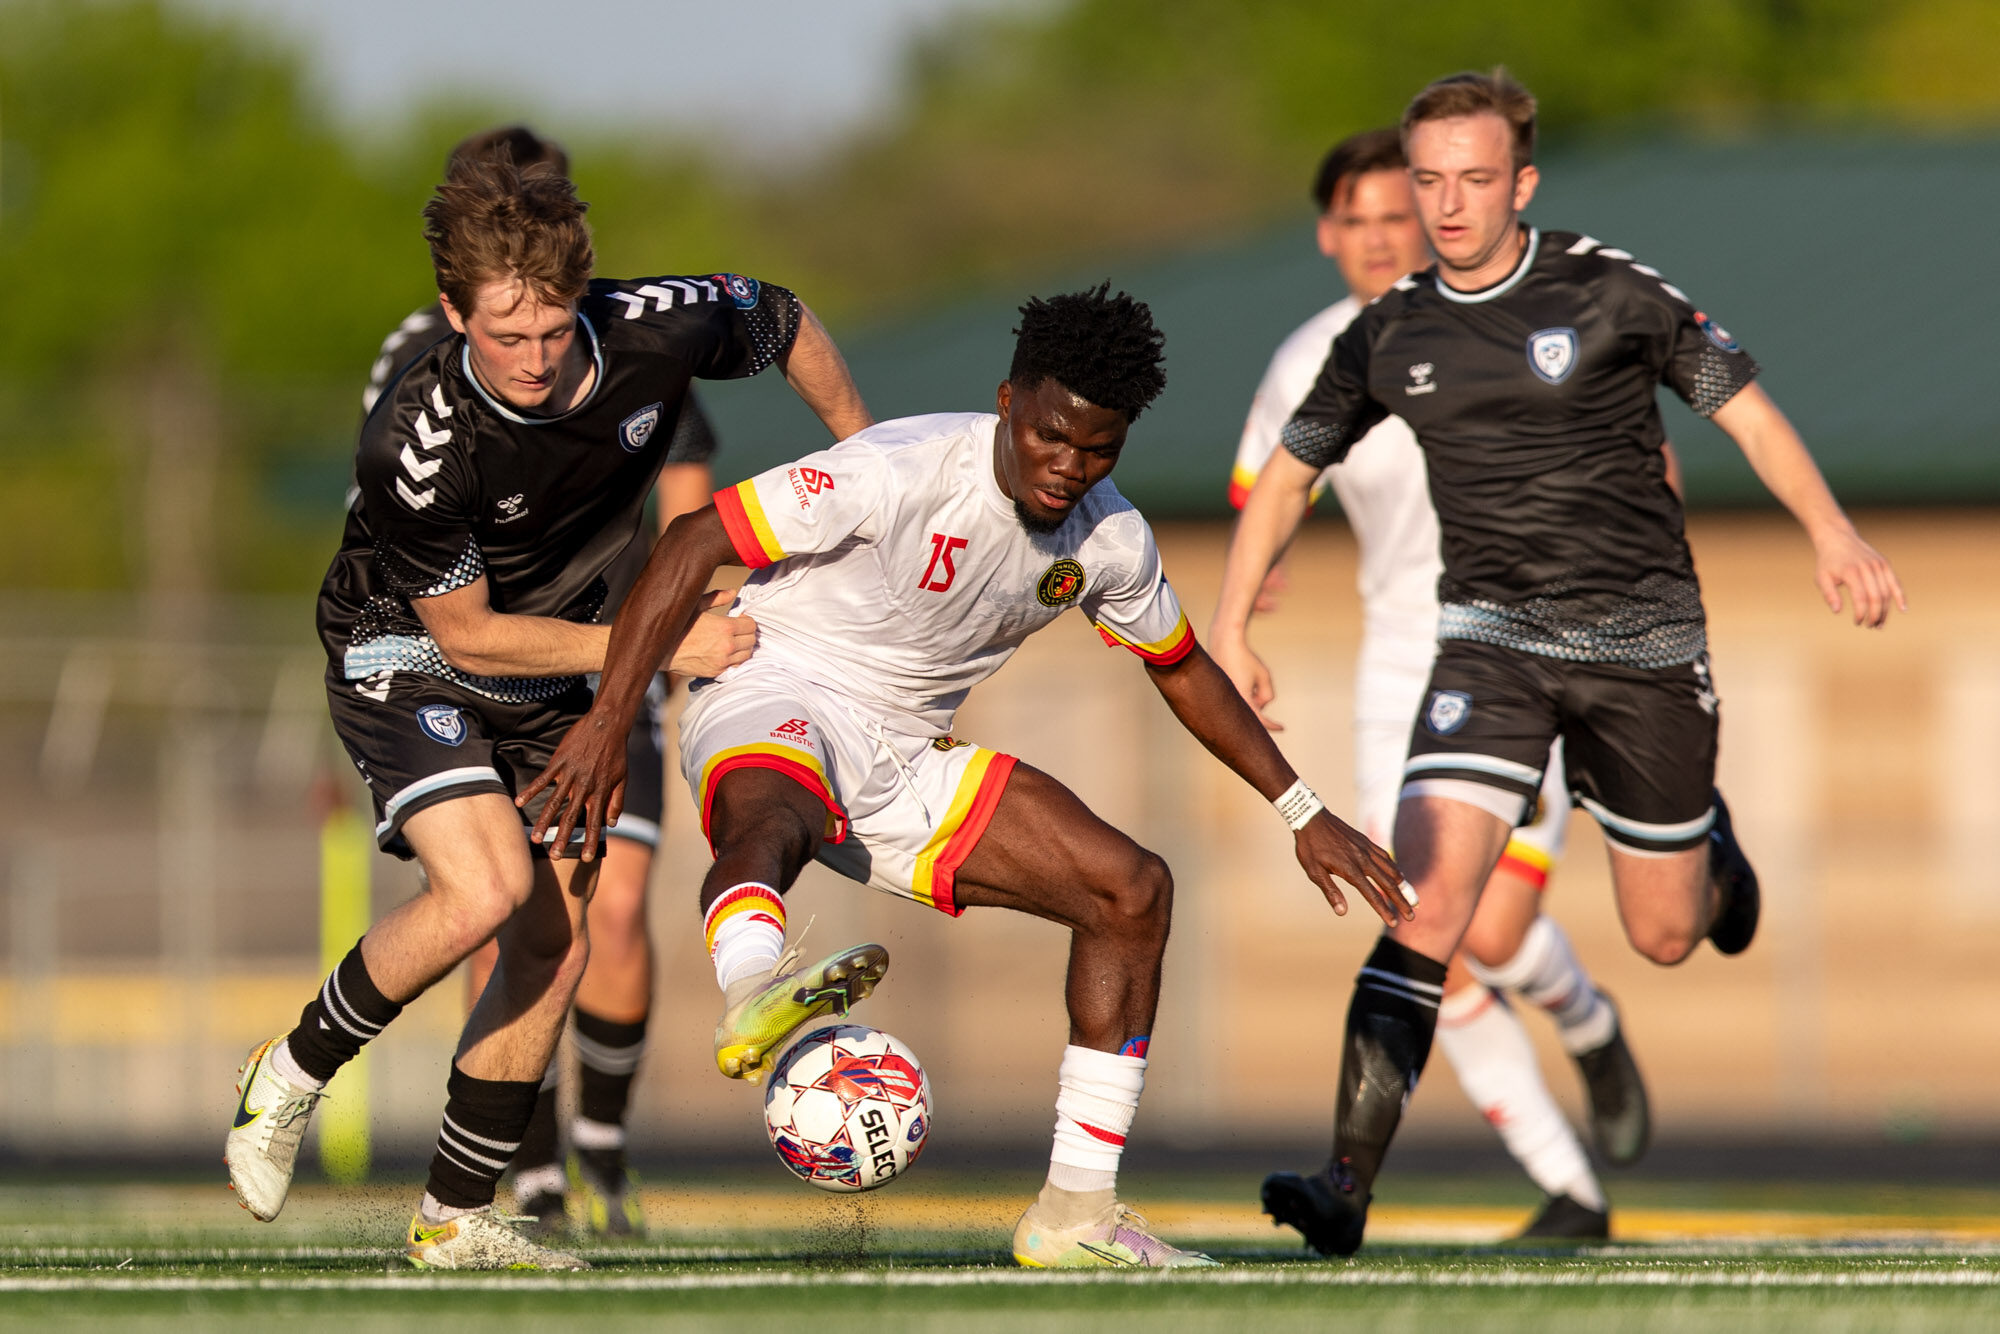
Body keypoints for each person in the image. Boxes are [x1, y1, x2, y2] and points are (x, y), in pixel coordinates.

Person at [519, 285, 1412, 1269]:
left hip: (905, 751)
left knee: (1131, 889)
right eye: (1049, 437)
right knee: (777, 811)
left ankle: (1075, 1211)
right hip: (775, 680)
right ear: (1006, 401)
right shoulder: (896, 468)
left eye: (1097, 448)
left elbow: (1182, 664)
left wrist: (1301, 808)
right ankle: (754, 991)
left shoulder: (1108, 540)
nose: (1067, 467)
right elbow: (694, 541)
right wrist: (608, 719)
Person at [1215, 68, 1905, 1258]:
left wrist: (1831, 531)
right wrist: (1229, 623)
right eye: (1427, 181)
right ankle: (1342, 1185)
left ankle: (1710, 856)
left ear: (1519, 182)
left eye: (1472, 180)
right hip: (1485, 645)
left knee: (1662, 933)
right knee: (1430, 902)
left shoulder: (1609, 291)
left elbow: (1741, 408)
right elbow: (1284, 473)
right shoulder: (1386, 332)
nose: (1445, 205)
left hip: (1640, 645)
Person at [225, 152, 873, 1270]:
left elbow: (780, 315)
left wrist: (866, 463)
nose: (530, 360)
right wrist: (658, 641)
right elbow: (468, 632)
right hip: (406, 645)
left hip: (562, 664)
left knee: (554, 946)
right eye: (501, 336)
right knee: (486, 884)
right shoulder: (417, 437)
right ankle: (288, 1069)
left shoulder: (655, 325)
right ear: (449, 310)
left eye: (552, 330)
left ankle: (453, 1213)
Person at [1213, 127, 1651, 1243]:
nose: (1374, 239)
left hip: (1528, 645)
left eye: (1391, 216)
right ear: (1327, 235)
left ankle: (1586, 1019)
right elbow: (1263, 488)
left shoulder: (1507, 317)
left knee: (1495, 931)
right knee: (1420, 924)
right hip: (1399, 664)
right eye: (1352, 222)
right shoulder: (1314, 352)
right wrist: (1245, 598)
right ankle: (1570, 1189)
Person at [361, 125, 726, 1241]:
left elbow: (691, 492)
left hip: (614, 663)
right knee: (494, 909)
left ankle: (600, 1156)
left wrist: (672, 629)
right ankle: (518, 1170)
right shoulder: (417, 373)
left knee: (607, 910)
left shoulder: (616, 339)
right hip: (486, 661)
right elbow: (401, 536)